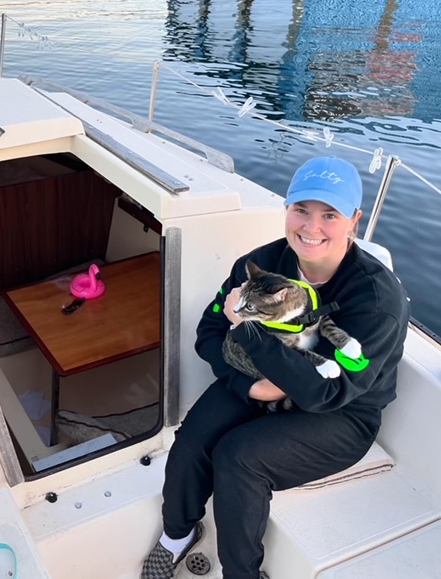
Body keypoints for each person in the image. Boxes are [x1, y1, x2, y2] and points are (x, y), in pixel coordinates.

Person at [140, 155, 410, 579]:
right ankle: (178, 533)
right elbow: (209, 332)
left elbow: (330, 391)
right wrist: (251, 387)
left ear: (354, 220)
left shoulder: (376, 301)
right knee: (192, 438)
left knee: (239, 457)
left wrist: (248, 334)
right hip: (260, 381)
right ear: (287, 209)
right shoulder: (261, 264)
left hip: (342, 413)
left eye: (330, 215)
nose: (311, 227)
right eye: (301, 209)